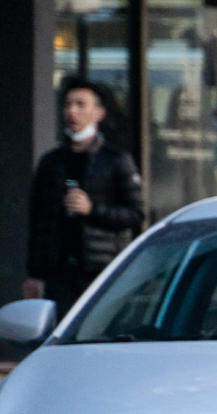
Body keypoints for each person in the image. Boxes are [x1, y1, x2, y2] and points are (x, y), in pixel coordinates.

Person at [26, 79, 146, 313]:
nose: (72, 111)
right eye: (68, 104)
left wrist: (92, 210)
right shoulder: (51, 161)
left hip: (99, 272)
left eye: (81, 104)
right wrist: (34, 274)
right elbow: (37, 221)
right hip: (58, 273)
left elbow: (135, 214)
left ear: (98, 113)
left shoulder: (115, 160)